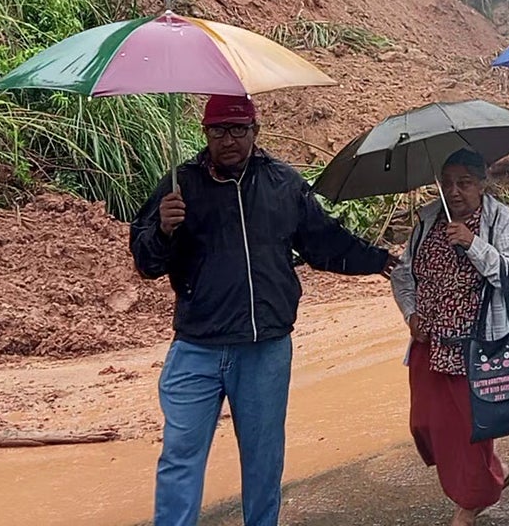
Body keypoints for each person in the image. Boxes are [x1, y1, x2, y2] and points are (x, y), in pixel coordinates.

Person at [130, 94, 395, 526]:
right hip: (197, 348)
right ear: (205, 134)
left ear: (256, 131)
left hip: (264, 348)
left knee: (263, 459)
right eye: (218, 131)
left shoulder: (283, 183)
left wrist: (378, 260)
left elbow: (323, 241)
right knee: (180, 457)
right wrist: (161, 229)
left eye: (238, 129)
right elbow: (146, 263)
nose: (228, 140)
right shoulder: (180, 186)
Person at [389, 148, 509, 526]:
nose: (454, 191)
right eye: (448, 183)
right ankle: (495, 470)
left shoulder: (501, 221)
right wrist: (411, 314)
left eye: (464, 183)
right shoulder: (428, 219)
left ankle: (472, 500)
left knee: (468, 430)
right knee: (425, 424)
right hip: (429, 342)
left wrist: (473, 244)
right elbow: (403, 275)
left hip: (477, 346)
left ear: (482, 183)